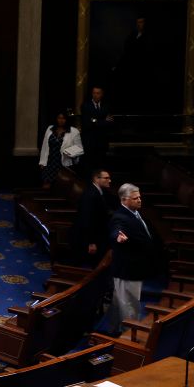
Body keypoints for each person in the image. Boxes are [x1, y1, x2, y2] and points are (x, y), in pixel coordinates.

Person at [106, 184, 164, 334]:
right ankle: (128, 336)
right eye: (135, 198)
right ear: (124, 200)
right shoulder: (119, 216)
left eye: (139, 197)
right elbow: (115, 231)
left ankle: (113, 331)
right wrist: (118, 239)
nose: (139, 200)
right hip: (127, 269)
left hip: (134, 268)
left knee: (120, 302)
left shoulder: (135, 213)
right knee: (129, 304)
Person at [69, 169, 113, 266]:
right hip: (87, 238)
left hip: (96, 235)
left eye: (109, 178)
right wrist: (91, 242)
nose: (109, 180)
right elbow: (87, 220)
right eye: (106, 178)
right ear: (96, 179)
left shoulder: (98, 191)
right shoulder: (91, 195)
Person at [38, 112, 82, 187]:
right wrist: (42, 161)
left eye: (63, 118)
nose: (61, 120)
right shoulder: (50, 128)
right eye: (59, 118)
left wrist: (69, 152)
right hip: (50, 162)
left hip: (63, 163)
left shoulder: (74, 131)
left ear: (66, 119)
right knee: (46, 184)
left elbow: (80, 149)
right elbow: (44, 146)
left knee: (61, 186)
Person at [80, 86, 113, 170]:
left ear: (101, 94)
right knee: (89, 167)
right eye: (94, 93)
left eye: (98, 93)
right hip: (89, 142)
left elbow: (109, 123)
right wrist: (102, 121)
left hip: (102, 142)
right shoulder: (85, 106)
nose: (95, 95)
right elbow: (87, 123)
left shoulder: (106, 106)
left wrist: (95, 120)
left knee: (101, 167)